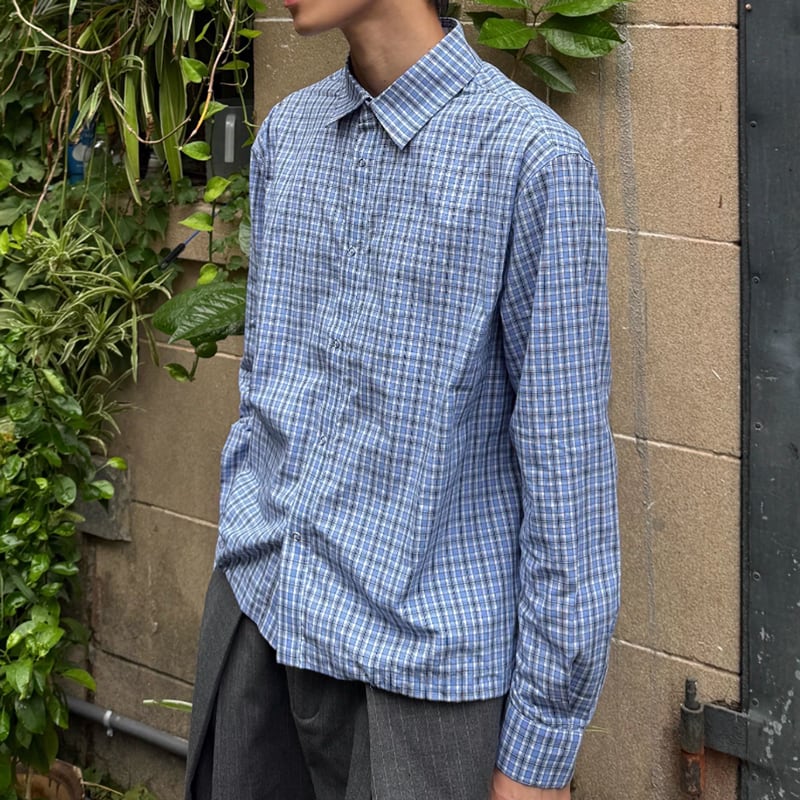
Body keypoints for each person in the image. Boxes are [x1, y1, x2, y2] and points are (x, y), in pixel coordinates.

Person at [185, 0, 620, 798]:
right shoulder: (287, 136)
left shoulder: (531, 158)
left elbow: (568, 475)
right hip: (259, 620)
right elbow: (264, 383)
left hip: (421, 680)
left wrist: (539, 750)